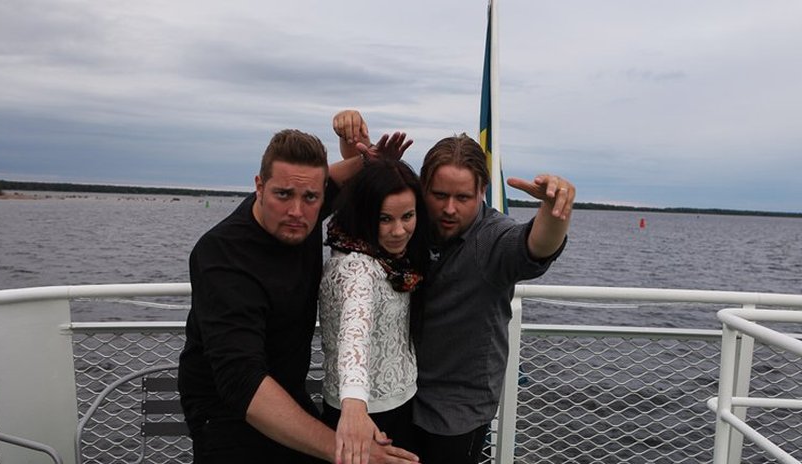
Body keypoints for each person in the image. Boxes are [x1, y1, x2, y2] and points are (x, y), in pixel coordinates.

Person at [335, 110, 574, 464]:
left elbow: (534, 247)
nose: (449, 208)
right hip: (399, 396)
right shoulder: (410, 224)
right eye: (439, 195)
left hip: (456, 413)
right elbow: (362, 210)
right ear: (423, 190)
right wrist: (355, 151)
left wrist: (555, 213)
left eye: (463, 198)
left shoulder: (492, 239)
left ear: (482, 191)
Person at [178, 128, 420, 464]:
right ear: (259, 186)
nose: (296, 210)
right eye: (282, 194)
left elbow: (332, 179)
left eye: (310, 198)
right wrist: (350, 450)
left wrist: (371, 162)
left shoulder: (301, 213)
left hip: (291, 396)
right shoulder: (222, 257)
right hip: (228, 418)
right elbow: (242, 381)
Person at [318, 158, 429, 464]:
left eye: (408, 216)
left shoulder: (389, 259)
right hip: (369, 415)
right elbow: (354, 331)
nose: (399, 230)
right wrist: (354, 404)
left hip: (399, 401)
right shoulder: (358, 268)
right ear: (365, 214)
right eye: (384, 219)